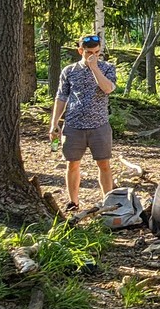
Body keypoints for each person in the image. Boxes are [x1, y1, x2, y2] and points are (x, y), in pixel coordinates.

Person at [49, 33, 118, 211]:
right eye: (89, 52)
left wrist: (95, 68)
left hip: (99, 125)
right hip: (73, 125)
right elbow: (61, 97)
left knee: (104, 164)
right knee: (72, 164)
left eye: (97, 52)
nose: (93, 55)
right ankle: (73, 202)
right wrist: (54, 123)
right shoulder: (69, 71)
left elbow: (108, 88)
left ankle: (107, 203)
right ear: (80, 51)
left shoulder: (107, 68)